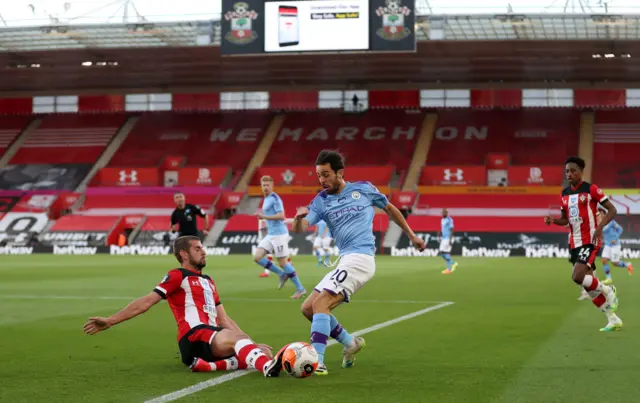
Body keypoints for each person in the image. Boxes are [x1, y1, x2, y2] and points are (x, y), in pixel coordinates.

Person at [292, 150, 426, 375]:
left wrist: (412, 235)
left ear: (340, 173)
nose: (322, 180)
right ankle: (350, 343)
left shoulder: (363, 189)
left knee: (320, 304)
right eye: (319, 176)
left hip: (361, 258)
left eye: (326, 174)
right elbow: (301, 228)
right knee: (308, 309)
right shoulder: (321, 201)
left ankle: (317, 361)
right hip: (345, 259)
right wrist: (298, 219)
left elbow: (390, 209)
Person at [83, 235, 286, 377]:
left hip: (214, 336)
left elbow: (224, 319)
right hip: (194, 336)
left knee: (263, 351)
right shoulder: (177, 275)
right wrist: (111, 320)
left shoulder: (209, 280)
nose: (203, 251)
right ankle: (268, 369)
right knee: (256, 353)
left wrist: (250, 344)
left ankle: (210, 367)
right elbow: (147, 301)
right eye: (197, 248)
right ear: (185, 254)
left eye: (202, 247)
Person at [544, 156, 622, 332]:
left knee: (577, 276)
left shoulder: (591, 189)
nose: (569, 174)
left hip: (590, 240)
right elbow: (565, 220)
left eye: (573, 170)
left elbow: (612, 209)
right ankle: (612, 318)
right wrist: (553, 220)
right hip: (574, 242)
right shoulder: (564, 194)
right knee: (588, 286)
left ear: (581, 171)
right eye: (567, 171)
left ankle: (609, 291)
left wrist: (600, 227)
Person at [253, 176, 306, 299]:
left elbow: (282, 216)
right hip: (271, 234)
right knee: (257, 257)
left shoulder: (275, 198)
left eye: (267, 185)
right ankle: (281, 274)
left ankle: (300, 289)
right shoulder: (266, 199)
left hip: (279, 234)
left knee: (282, 262)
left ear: (272, 186)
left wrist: (264, 217)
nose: (265, 187)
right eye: (263, 185)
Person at [600, 207, 634, 284]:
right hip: (607, 245)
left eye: (601, 213)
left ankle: (627, 264)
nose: (600, 215)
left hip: (615, 245)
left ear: (605, 214)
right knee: (604, 260)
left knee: (615, 263)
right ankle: (609, 278)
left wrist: (615, 238)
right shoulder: (599, 223)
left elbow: (620, 229)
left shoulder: (611, 222)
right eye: (599, 214)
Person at [439, 208, 458, 274]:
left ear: (447, 213)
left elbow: (452, 229)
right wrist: (440, 234)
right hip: (444, 238)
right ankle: (452, 263)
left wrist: (450, 239)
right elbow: (443, 229)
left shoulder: (449, 219)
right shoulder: (442, 220)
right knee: (442, 253)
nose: (443, 213)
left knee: (445, 253)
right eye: (442, 212)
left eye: (444, 212)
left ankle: (449, 269)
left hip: (447, 238)